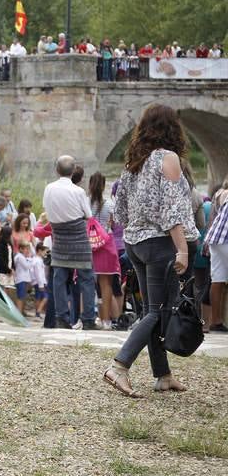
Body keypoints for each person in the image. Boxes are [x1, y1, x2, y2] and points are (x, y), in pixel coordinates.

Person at [106, 105, 199, 397]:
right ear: (173, 129)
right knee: (159, 311)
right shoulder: (168, 159)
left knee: (152, 310)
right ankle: (119, 366)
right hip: (161, 244)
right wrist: (182, 250)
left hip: (136, 243)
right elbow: (174, 211)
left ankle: (162, 374)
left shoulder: (134, 162)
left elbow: (118, 211)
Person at [42, 155, 97, 329]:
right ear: (73, 171)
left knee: (59, 278)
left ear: (57, 170)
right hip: (78, 236)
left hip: (59, 235)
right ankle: (88, 319)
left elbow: (47, 211)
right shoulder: (78, 191)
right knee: (86, 279)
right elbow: (88, 215)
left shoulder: (49, 189)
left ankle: (61, 318)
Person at [88, 172, 121, 329]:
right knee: (106, 284)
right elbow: (114, 224)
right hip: (106, 244)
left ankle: (86, 317)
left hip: (89, 244)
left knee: (85, 281)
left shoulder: (85, 203)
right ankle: (106, 321)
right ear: (103, 186)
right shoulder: (110, 204)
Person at [204, 187, 228, 332]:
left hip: (215, 238)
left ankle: (216, 321)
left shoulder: (222, 193)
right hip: (226, 239)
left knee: (217, 279)